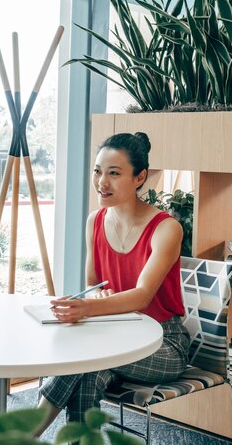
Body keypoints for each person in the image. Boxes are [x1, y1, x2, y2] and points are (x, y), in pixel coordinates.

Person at [36, 132, 191, 432]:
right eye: (97, 171)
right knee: (88, 374)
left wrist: (87, 309)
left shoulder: (166, 229)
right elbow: (94, 284)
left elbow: (143, 296)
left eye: (114, 174)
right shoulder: (95, 221)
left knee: (82, 357)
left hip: (163, 343)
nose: (101, 183)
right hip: (115, 334)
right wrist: (93, 300)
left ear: (139, 177)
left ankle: (22, 435)